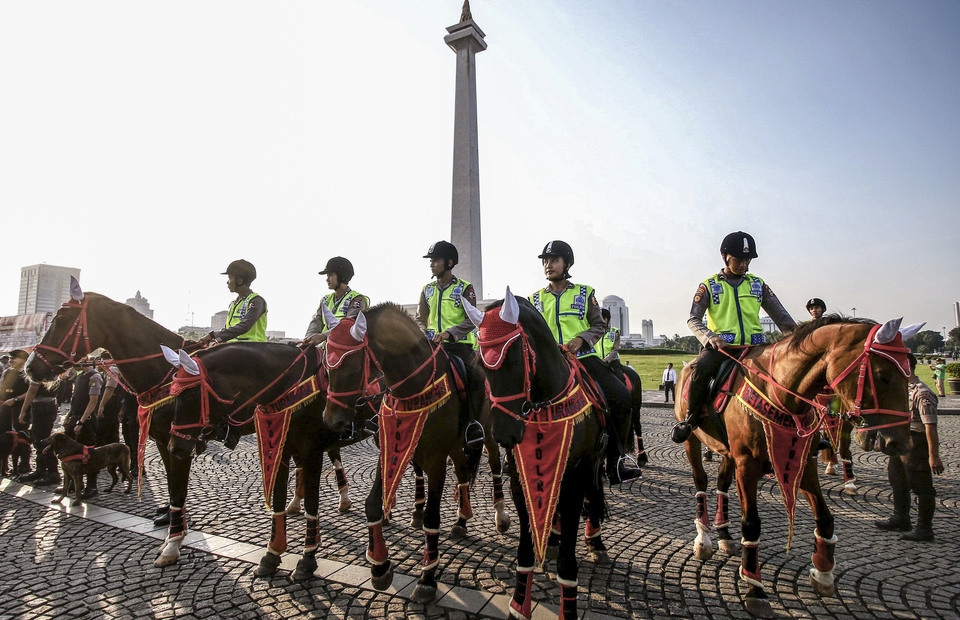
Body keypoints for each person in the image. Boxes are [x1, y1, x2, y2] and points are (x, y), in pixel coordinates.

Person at [530, 240, 642, 485]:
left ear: (567, 263)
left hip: (584, 360)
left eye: (554, 260)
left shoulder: (584, 292)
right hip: (548, 364)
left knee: (622, 397)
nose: (548, 265)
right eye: (545, 261)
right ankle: (515, 454)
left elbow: (599, 325)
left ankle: (616, 462)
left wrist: (581, 339)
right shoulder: (534, 299)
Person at [672, 231, 797, 443]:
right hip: (722, 350)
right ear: (724, 257)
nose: (743, 264)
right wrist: (710, 337)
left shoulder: (758, 285)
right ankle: (691, 419)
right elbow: (693, 319)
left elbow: (783, 318)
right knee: (700, 370)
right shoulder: (709, 286)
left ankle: (801, 425)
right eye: (738, 259)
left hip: (757, 347)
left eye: (747, 260)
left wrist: (799, 340)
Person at [416, 241, 485, 446]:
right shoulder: (426, 290)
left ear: (449, 262)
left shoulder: (465, 288)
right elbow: (421, 318)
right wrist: (422, 333)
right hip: (431, 346)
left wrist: (449, 333)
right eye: (431, 261)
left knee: (474, 378)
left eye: (435, 260)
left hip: (459, 346)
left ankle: (473, 424)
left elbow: (471, 319)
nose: (431, 264)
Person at [874, 353, 944, 541]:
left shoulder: (922, 392)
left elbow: (930, 426)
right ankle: (901, 517)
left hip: (916, 442)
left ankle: (924, 528)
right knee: (897, 479)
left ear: (906, 366)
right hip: (900, 439)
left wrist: (933, 456)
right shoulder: (899, 389)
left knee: (921, 486)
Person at [60, 357, 104, 498]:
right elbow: (75, 399)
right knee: (71, 452)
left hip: (87, 420)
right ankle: (73, 483)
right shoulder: (80, 377)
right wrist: (70, 416)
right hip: (75, 416)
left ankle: (92, 486)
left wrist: (81, 422)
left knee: (89, 453)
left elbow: (92, 402)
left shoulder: (95, 376)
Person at [302, 257, 369, 347]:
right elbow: (316, 323)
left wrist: (323, 336)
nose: (327, 279)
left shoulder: (357, 299)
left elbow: (349, 326)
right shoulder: (325, 300)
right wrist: (308, 339)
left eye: (330, 275)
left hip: (342, 351)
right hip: (323, 349)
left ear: (342, 276)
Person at [198, 259, 268, 346]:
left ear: (239, 281)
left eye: (230, 278)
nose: (227, 282)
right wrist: (218, 340)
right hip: (233, 347)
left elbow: (245, 325)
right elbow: (229, 328)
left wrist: (213, 335)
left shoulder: (256, 301)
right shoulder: (234, 303)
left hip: (253, 348)